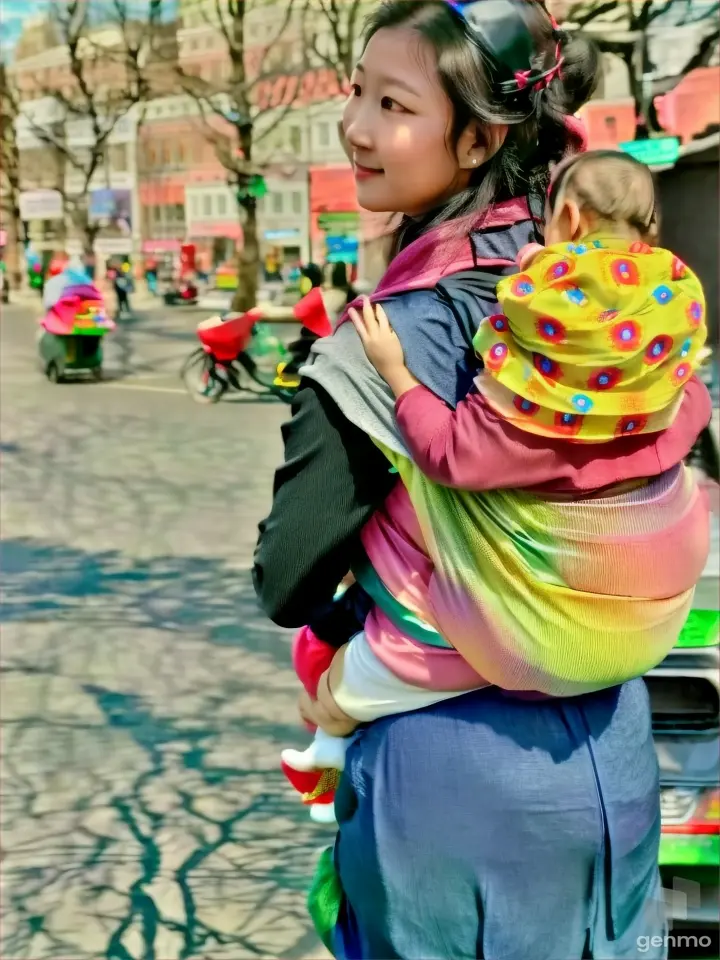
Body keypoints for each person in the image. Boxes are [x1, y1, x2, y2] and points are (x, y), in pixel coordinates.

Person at [254, 2, 712, 956]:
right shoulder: (608, 299)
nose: (356, 127)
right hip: (616, 757)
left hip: (453, 782)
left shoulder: (394, 331)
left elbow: (286, 577)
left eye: (393, 104)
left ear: (476, 138)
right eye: (357, 93)